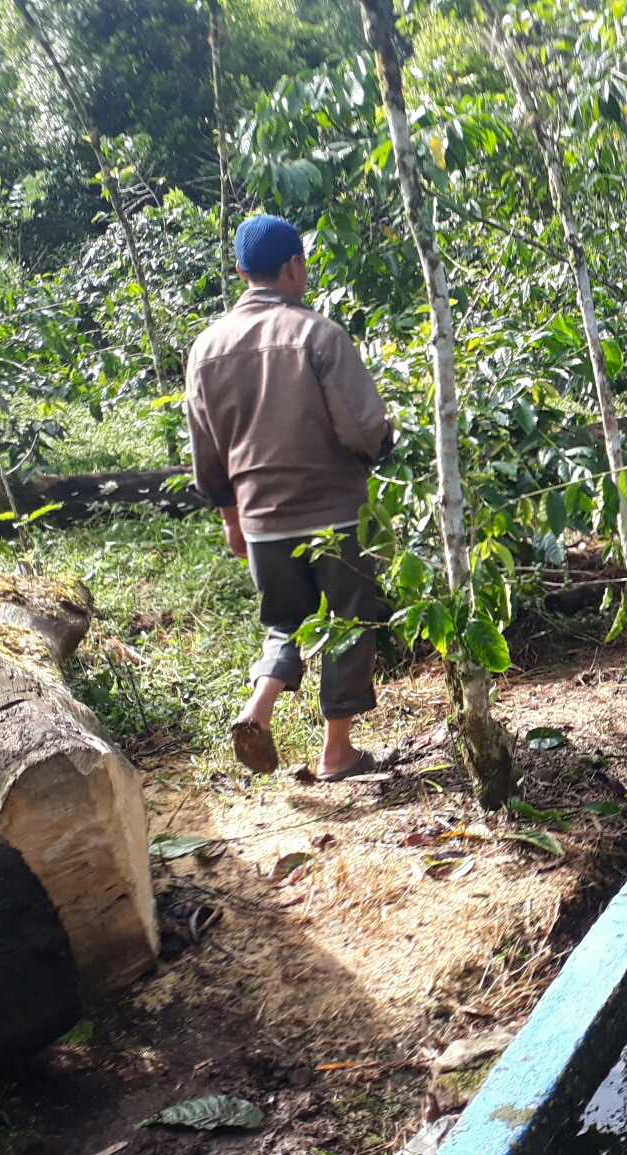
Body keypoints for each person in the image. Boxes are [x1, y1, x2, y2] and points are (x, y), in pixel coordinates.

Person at [186, 214, 395, 781]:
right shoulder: (317, 335)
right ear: (294, 267)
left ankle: (259, 707)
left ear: (240, 271)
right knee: (349, 620)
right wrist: (385, 438)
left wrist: (233, 519)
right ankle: (338, 751)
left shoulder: (206, 348)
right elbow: (361, 428)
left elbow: (207, 454)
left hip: (260, 521)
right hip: (334, 515)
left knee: (285, 621)